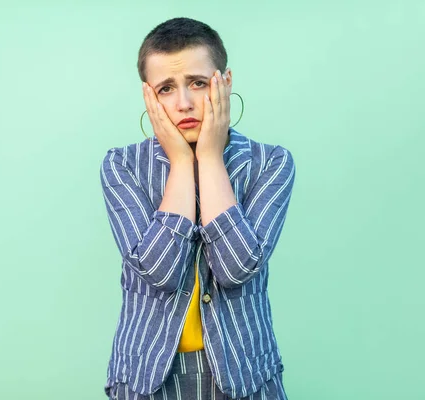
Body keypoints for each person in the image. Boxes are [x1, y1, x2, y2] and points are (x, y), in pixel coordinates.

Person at [100, 17, 296, 400]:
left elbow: (235, 267)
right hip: (147, 375)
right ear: (149, 97)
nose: (184, 103)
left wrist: (208, 157)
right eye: (166, 89)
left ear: (224, 82)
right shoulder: (121, 166)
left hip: (244, 374)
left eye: (198, 83)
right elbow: (161, 272)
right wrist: (179, 163)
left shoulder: (270, 163)